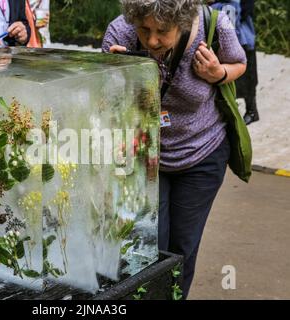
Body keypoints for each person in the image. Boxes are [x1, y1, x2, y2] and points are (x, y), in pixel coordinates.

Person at [102, 0, 247, 299]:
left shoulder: (215, 26)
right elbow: (107, 105)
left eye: (162, 31)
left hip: (202, 154)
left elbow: (239, 64)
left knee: (183, 246)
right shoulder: (119, 33)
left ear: (182, 22)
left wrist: (217, 73)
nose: (152, 40)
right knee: (150, 246)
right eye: (144, 29)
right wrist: (114, 76)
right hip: (147, 157)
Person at [209, 0, 259, 125]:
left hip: (241, 44)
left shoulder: (229, 4)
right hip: (235, 46)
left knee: (246, 81)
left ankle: (251, 112)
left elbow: (229, 28)